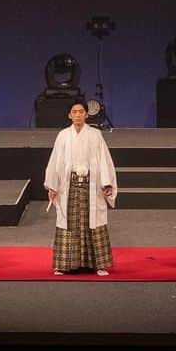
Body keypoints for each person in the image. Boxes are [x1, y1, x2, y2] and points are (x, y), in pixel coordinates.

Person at [44, 101, 117, 275]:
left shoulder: (95, 135)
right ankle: (63, 264)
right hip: (69, 186)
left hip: (91, 185)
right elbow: (55, 161)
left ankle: (97, 264)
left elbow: (104, 160)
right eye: (74, 112)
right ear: (69, 115)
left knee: (92, 222)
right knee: (69, 222)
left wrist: (106, 183)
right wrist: (52, 185)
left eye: (81, 111)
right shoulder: (63, 135)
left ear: (86, 114)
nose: (77, 115)